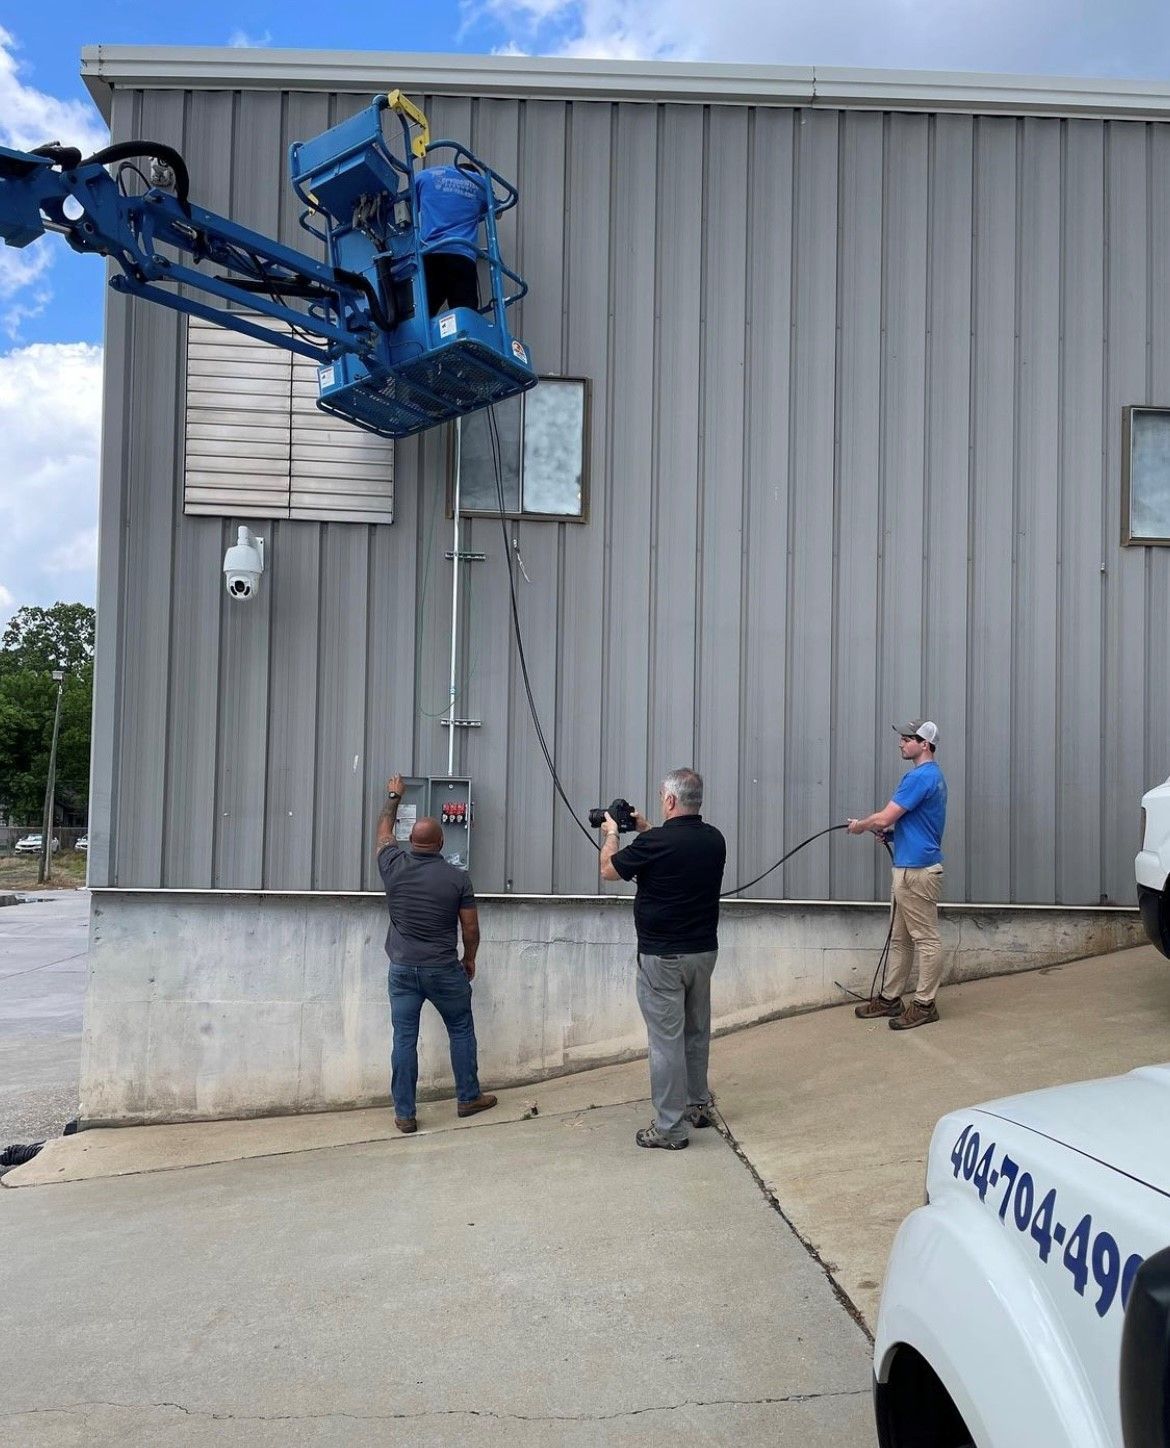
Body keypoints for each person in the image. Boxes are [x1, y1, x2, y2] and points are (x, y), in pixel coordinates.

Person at [600, 768, 727, 1150]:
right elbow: (673, 847)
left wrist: (611, 834)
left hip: (663, 956)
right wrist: (645, 828)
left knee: (665, 1041)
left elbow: (609, 871)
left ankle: (670, 1128)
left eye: (661, 797)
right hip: (703, 952)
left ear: (670, 800)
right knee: (695, 1031)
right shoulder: (713, 839)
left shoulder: (655, 843)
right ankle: (696, 1104)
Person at [376, 773, 496, 1132]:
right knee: (460, 1028)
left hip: (402, 969)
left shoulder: (392, 865)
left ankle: (405, 1114)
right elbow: (471, 928)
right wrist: (469, 958)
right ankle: (468, 1098)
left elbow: (383, 831)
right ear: (442, 843)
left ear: (410, 841)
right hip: (444, 969)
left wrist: (394, 796)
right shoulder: (458, 879)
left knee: (404, 1039)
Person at [847, 720, 948, 1030]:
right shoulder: (928, 777)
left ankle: (925, 1004)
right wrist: (891, 835)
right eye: (903, 739)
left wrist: (862, 825)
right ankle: (891, 998)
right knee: (901, 940)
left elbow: (888, 815)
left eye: (908, 739)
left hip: (917, 872)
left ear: (925, 745)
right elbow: (916, 823)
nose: (902, 744)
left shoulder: (921, 777)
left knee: (926, 941)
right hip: (907, 868)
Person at [414, 163, 488, 317]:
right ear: (474, 172)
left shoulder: (425, 176)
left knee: (423, 314)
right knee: (466, 316)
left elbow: (405, 204)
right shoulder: (480, 182)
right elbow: (496, 212)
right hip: (462, 257)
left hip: (430, 254)